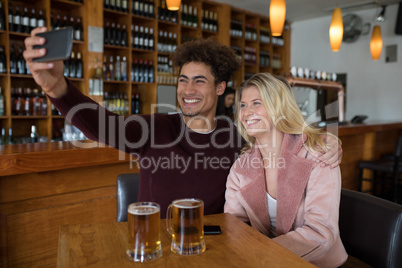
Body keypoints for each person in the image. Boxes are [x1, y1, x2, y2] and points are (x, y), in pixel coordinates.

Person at [23, 27, 342, 218]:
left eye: (199, 81)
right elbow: (102, 124)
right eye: (182, 80)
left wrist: (326, 140)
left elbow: (286, 144)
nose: (188, 90)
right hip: (154, 246)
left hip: (213, 247)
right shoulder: (153, 128)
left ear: (220, 88)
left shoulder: (236, 137)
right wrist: (56, 88)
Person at [224, 73, 347, 267]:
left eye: (256, 103)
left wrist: (262, 254)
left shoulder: (318, 155)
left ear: (279, 107)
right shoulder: (240, 167)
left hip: (313, 262)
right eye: (243, 105)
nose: (246, 113)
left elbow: (321, 233)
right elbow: (233, 224)